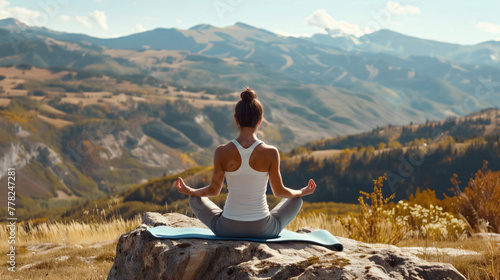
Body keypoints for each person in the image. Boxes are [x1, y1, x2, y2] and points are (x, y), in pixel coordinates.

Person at [175, 88, 316, 238]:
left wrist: (190, 190)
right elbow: (279, 192)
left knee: (194, 198)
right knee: (296, 200)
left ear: (236, 119)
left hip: (227, 229)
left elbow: (214, 190)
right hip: (263, 229)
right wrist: (302, 192)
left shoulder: (221, 151)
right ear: (260, 120)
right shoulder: (271, 152)